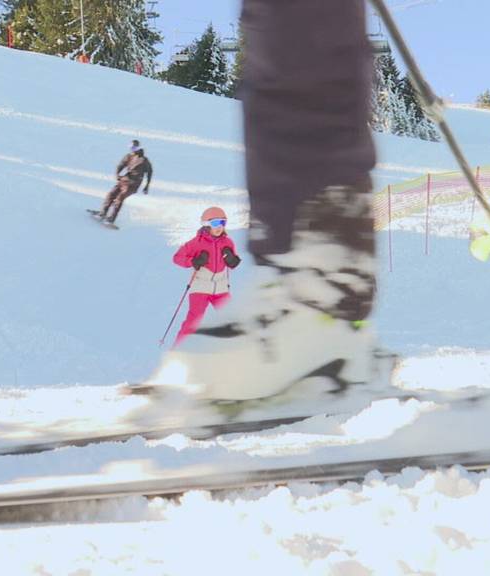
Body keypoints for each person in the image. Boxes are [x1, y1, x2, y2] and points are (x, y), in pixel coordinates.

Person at [152, 0, 378, 401]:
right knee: (271, 37)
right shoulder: (205, 240)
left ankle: (325, 284)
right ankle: (299, 272)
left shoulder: (215, 240)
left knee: (297, 31)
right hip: (222, 275)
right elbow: (184, 255)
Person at [171, 207, 240, 346]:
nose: (219, 226)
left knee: (233, 318)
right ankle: (179, 348)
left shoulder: (228, 242)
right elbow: (177, 258)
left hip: (221, 288)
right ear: (206, 224)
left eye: (223, 222)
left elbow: (233, 261)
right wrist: (193, 261)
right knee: (194, 320)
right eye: (215, 223)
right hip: (200, 287)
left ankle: (235, 348)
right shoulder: (196, 243)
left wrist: (232, 260)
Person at [92, 140, 153, 224]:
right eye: (131, 147)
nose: (132, 149)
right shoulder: (128, 156)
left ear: (139, 147)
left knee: (119, 198)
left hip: (133, 184)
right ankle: (103, 213)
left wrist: (147, 186)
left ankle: (111, 219)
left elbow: (150, 172)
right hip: (124, 180)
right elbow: (121, 165)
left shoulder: (144, 160)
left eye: (134, 147)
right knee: (111, 194)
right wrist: (117, 174)